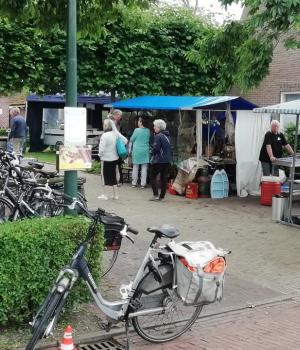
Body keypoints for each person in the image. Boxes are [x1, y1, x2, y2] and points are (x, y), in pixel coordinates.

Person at [98, 119, 128, 200]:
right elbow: (125, 141)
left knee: (104, 176)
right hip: (114, 158)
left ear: (105, 126)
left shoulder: (104, 136)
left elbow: (101, 149)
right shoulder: (115, 134)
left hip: (105, 159)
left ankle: (104, 194)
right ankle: (115, 195)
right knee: (113, 176)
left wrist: (99, 155)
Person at [149, 119, 172, 201]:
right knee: (164, 179)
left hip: (159, 160)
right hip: (167, 160)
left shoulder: (158, 136)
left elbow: (156, 149)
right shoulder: (168, 136)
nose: (154, 127)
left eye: (155, 126)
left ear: (159, 127)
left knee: (152, 176)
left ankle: (155, 195)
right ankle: (162, 197)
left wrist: (151, 151)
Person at [129, 117, 150, 188]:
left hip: (137, 150)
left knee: (135, 166)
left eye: (139, 121)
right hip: (145, 150)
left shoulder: (136, 130)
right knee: (144, 167)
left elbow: (132, 139)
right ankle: (143, 184)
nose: (138, 122)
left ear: (141, 122)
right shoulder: (148, 131)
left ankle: (134, 183)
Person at [110, 109, 124, 185]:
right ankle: (116, 180)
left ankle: (119, 180)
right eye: (120, 115)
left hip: (117, 145)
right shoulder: (111, 123)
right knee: (115, 163)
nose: (121, 117)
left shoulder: (118, 123)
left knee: (118, 163)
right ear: (116, 115)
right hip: (113, 145)